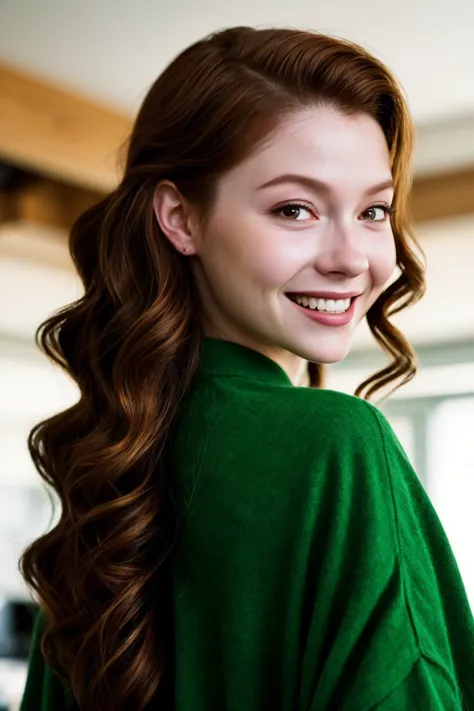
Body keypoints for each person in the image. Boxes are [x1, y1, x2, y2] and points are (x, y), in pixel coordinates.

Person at [18, 25, 474, 711]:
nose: (352, 257)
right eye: (296, 208)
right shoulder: (338, 444)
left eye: (374, 209)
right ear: (181, 218)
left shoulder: (110, 474)